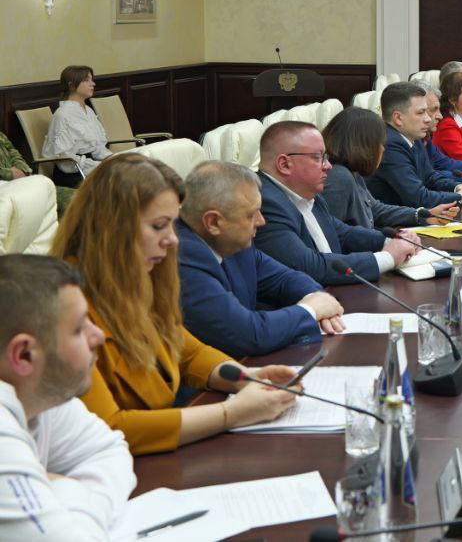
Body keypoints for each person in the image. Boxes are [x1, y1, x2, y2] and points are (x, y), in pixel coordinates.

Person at [51, 154, 298, 455]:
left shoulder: (137, 277)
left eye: (172, 224)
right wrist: (232, 413)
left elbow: (189, 352)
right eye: (159, 226)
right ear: (111, 227)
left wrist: (248, 379)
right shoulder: (63, 304)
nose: (173, 239)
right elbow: (109, 427)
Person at [0, 254, 134, 539]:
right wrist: (67, 488)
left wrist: (59, 500)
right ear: (24, 355)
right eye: (79, 327)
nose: (98, 336)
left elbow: (108, 450)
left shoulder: (40, 393)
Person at [178, 160, 345, 358]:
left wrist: (316, 298)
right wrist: (311, 310)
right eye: (251, 215)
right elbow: (248, 334)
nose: (261, 221)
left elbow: (285, 279)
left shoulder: (233, 242)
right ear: (213, 222)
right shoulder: (183, 257)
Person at [255, 121, 419, 286]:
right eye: (317, 158)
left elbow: (342, 233)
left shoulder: (307, 193)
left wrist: (392, 241)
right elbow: (309, 267)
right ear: (284, 164)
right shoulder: (263, 204)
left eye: (325, 157)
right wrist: (388, 257)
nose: (328, 166)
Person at [369, 83, 462, 214]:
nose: (428, 119)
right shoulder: (390, 144)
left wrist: (457, 187)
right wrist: (459, 197)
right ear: (398, 118)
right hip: (401, 223)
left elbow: (431, 177)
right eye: (421, 112)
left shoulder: (413, 136)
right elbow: (417, 197)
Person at [324, 104, 457, 231]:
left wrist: (424, 215)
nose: (383, 148)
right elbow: (335, 236)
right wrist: (384, 242)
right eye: (378, 142)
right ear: (361, 144)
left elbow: (376, 210)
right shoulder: (339, 178)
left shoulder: (353, 172)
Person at [42, 65, 111, 187]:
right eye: (87, 80)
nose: (93, 84)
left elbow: (98, 148)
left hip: (91, 166)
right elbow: (64, 159)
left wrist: (115, 159)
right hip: (73, 173)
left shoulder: (88, 111)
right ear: (72, 85)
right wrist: (98, 166)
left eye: (92, 79)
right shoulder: (62, 115)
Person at [0, 129, 77, 215]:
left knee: (78, 198)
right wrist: (10, 174)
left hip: (22, 183)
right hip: (6, 191)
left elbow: (14, 153)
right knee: (72, 202)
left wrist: (21, 170)